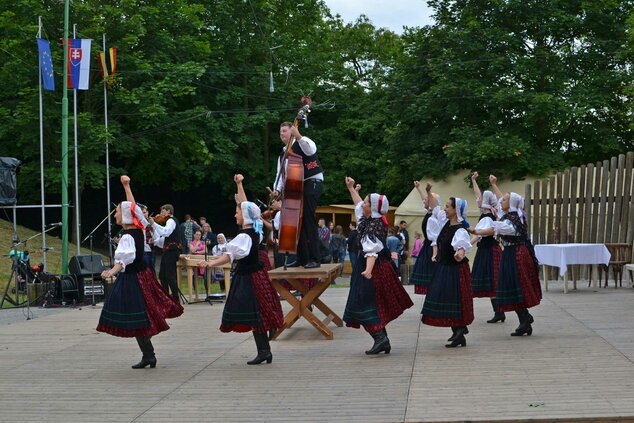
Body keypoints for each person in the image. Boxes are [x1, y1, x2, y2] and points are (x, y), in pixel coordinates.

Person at [97, 175, 183, 369]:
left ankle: (149, 353)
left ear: (125, 216)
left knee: (135, 315)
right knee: (141, 314)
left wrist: (111, 271)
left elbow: (123, 259)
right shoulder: (140, 228)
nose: (115, 214)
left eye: (117, 211)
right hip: (142, 276)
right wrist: (127, 186)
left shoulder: (128, 236)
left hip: (133, 278)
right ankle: (148, 354)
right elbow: (133, 207)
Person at [199, 174, 283, 365]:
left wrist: (210, 264)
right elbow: (246, 205)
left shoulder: (245, 235)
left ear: (244, 216)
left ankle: (264, 350)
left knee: (254, 311)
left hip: (250, 278)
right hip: (253, 275)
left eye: (237, 212)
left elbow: (229, 256)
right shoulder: (254, 229)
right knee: (257, 312)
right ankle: (264, 351)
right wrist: (239, 184)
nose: (235, 214)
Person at [342, 176, 413, 355]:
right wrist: (351, 189)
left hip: (373, 268)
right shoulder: (369, 220)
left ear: (371, 207)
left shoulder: (373, 226)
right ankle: (382, 339)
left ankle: (381, 339)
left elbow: (371, 251)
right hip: (373, 266)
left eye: (365, 202)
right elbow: (358, 205)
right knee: (371, 303)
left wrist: (367, 270)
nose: (362, 204)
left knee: (363, 303)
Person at [469, 175, 541, 337]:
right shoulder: (511, 215)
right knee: (511, 286)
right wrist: (494, 184)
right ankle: (524, 319)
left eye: (505, 200)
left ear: (512, 204)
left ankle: (524, 319)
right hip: (512, 253)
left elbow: (494, 229)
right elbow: (502, 200)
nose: (501, 201)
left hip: (516, 255)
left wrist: (476, 231)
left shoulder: (512, 221)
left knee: (514, 285)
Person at [421, 194, 473, 348]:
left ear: (456, 210)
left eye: (448, 206)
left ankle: (459, 332)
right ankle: (458, 331)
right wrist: (427, 191)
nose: (445, 208)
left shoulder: (459, 230)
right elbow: (434, 206)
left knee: (453, 299)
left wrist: (460, 254)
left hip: (455, 269)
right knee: (447, 298)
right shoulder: (447, 223)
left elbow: (462, 247)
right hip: (445, 267)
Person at [271, 122, 323, 269]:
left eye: (285, 131)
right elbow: (281, 175)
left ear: (292, 131)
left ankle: (315, 258)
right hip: (295, 187)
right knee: (296, 222)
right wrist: (277, 190)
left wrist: (299, 136)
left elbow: (311, 150)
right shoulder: (282, 154)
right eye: (280, 131)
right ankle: (302, 257)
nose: (282, 134)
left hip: (311, 181)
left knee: (308, 219)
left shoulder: (302, 142)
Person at [469, 171, 504, 323]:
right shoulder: (485, 214)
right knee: (491, 282)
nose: (478, 199)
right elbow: (478, 194)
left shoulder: (489, 216)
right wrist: (473, 180)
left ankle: (500, 311)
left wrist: (469, 242)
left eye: (481, 199)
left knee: (493, 281)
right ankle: (498, 312)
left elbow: (484, 233)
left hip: (489, 250)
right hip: (486, 250)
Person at [410, 181, 441, 294]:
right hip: (427, 247)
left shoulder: (434, 216)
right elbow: (426, 200)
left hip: (432, 248)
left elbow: (435, 238)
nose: (425, 201)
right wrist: (418, 189)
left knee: (432, 276)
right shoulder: (428, 213)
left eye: (428, 200)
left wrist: (434, 253)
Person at [150, 204, 181, 302]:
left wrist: (154, 224)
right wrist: (153, 234)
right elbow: (162, 241)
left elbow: (166, 232)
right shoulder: (168, 222)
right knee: (162, 275)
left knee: (169, 275)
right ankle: (166, 296)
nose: (161, 214)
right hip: (168, 251)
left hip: (172, 251)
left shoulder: (171, 221)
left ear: (169, 211)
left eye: (163, 211)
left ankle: (175, 298)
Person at [138, 203, 156, 276]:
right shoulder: (139, 223)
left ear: (148, 212)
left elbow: (157, 235)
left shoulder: (152, 223)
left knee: (152, 271)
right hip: (143, 250)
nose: (144, 215)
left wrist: (153, 226)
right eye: (142, 213)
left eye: (145, 212)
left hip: (151, 249)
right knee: (145, 272)